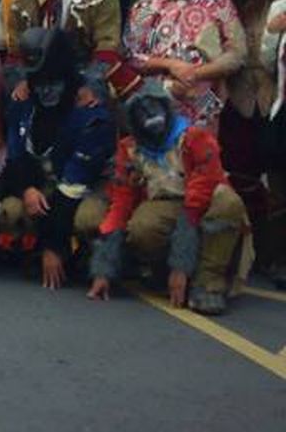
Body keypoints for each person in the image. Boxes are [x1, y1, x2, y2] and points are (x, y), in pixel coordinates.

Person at [88, 81, 247, 315]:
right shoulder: (130, 149)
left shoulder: (196, 138)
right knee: (142, 226)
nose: (150, 116)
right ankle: (160, 272)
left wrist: (180, 265)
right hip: (166, 204)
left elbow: (196, 204)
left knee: (228, 203)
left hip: (203, 206)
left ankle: (208, 283)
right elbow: (120, 205)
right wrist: (103, 269)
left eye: (154, 107)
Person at [0, 28, 115, 290]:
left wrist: (54, 247)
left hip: (87, 188)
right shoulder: (23, 100)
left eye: (54, 83)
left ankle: (86, 256)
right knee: (10, 211)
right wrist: (27, 189)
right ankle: (30, 249)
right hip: (45, 181)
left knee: (88, 219)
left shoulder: (91, 115)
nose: (47, 91)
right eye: (40, 82)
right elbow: (15, 156)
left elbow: (74, 184)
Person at [208, 0, 281, 270]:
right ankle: (244, 255)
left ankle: (277, 255)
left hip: (276, 100)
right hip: (234, 103)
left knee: (280, 181)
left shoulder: (280, 0)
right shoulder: (216, 6)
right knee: (238, 177)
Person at [124, 0, 243, 129]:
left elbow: (237, 54)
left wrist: (196, 73)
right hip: (156, 111)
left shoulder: (219, 4)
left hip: (207, 111)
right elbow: (131, 56)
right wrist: (170, 65)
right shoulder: (144, 9)